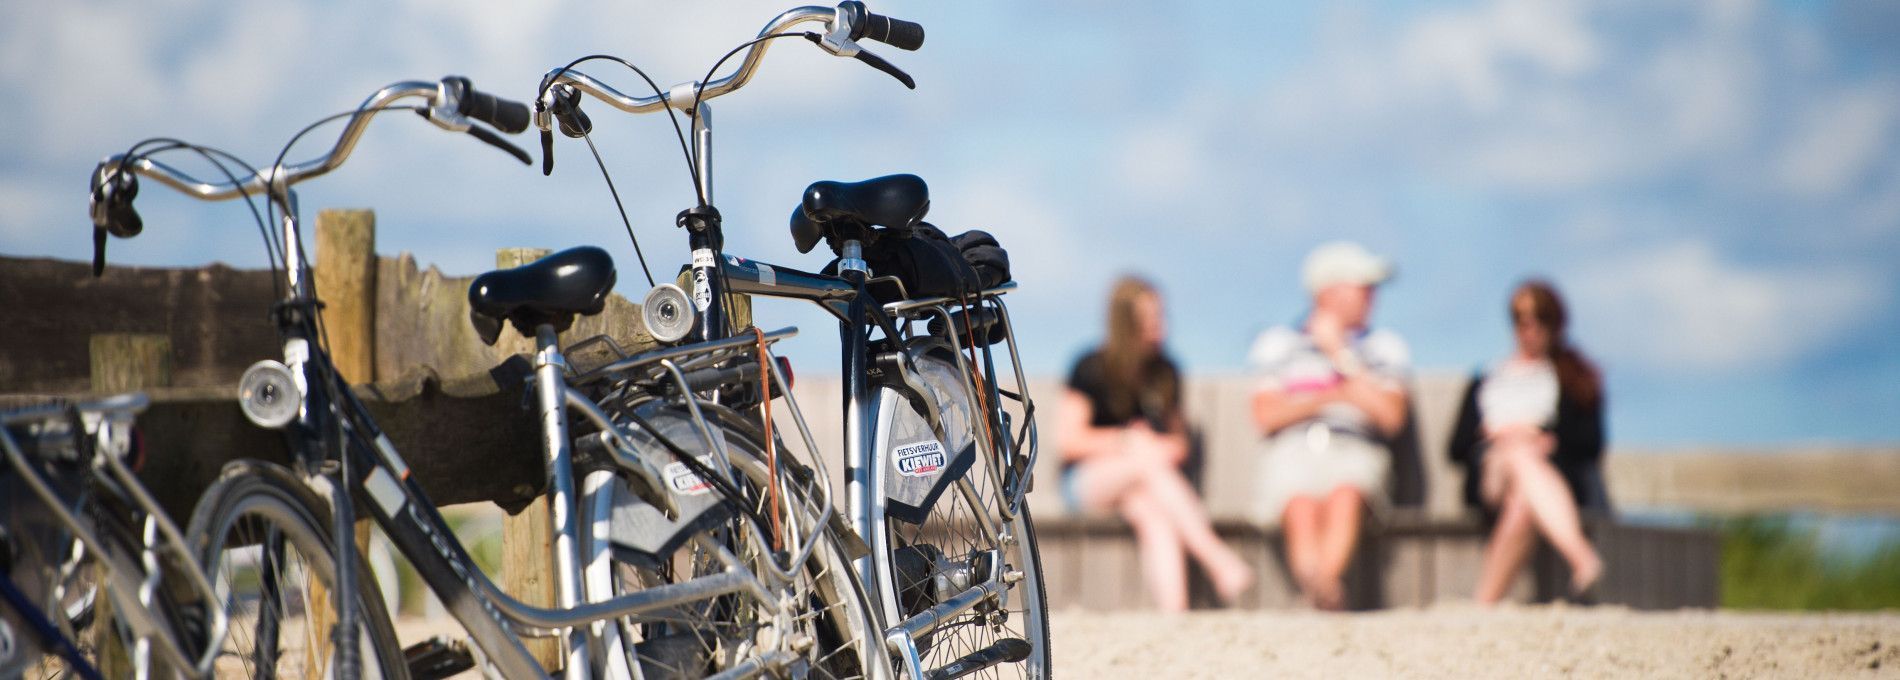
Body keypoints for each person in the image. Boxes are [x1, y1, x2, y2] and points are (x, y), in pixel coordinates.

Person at [1057, 276, 1254, 611]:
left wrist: (1152, 446)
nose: (1160, 324)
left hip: (1147, 484)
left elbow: (1178, 445)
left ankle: (1173, 615)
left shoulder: (1166, 372)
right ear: (1125, 321)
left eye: (1161, 315)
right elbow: (1069, 441)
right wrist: (1127, 441)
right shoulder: (1091, 367)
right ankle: (1217, 557)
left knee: (1151, 514)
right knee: (1144, 458)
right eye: (1149, 317)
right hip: (1087, 483)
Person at [1248, 241, 1410, 610]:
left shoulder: (1384, 346)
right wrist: (1336, 396)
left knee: (1346, 494)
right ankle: (1324, 591)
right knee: (1300, 504)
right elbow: (1265, 416)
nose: (1373, 296)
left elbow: (1390, 416)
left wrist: (1339, 354)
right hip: (1292, 450)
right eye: (1364, 286)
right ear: (1329, 291)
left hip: (1355, 449)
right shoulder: (1278, 343)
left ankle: (1320, 589)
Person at [1448, 279, 1606, 604]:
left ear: (1555, 323)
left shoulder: (1572, 376)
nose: (1530, 328)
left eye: (1540, 319)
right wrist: (1496, 435)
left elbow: (1590, 442)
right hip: (1492, 472)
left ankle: (1483, 603)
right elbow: (1455, 446)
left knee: (1522, 504)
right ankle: (1580, 556)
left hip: (1544, 475)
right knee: (1518, 453)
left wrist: (1550, 440)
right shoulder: (1487, 376)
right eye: (1521, 319)